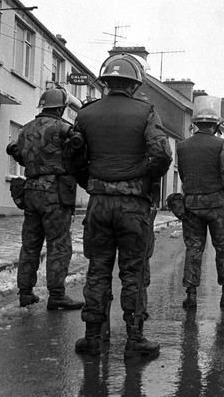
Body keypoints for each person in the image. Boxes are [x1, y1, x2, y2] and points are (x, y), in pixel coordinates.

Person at [73, 53, 172, 358]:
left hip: (99, 202)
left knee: (98, 268)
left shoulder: (86, 114)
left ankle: (92, 335)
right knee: (134, 271)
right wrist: (141, 178)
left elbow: (73, 157)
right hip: (133, 205)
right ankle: (134, 338)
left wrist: (91, 181)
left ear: (106, 82)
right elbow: (162, 155)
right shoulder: (146, 112)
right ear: (134, 84)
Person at [8, 87, 84, 311]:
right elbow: (75, 157)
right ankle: (57, 295)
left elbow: (22, 158)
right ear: (61, 108)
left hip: (30, 191)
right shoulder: (64, 129)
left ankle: (25, 292)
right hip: (55, 193)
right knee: (58, 244)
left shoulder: (25, 130)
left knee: (30, 245)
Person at [178, 95, 224, 310]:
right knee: (223, 248)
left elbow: (184, 174)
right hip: (217, 207)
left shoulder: (182, 146)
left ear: (195, 123)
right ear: (216, 125)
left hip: (192, 206)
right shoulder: (220, 146)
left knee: (194, 249)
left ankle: (191, 295)